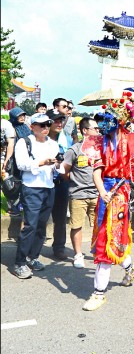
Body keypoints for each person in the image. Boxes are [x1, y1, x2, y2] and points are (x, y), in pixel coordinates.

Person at [80, 89, 134, 311]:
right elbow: (97, 171)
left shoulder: (132, 140)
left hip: (121, 193)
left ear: (118, 121)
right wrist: (102, 191)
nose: (101, 125)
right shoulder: (97, 142)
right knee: (107, 235)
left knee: (108, 238)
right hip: (107, 194)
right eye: (100, 120)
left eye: (107, 120)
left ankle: (99, 293)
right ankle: (129, 268)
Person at [13, 113, 65, 279]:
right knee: (30, 225)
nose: (45, 128)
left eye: (47, 124)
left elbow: (60, 168)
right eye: (41, 125)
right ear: (32, 127)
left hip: (49, 187)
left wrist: (57, 164)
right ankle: (19, 262)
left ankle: (32, 257)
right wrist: (41, 162)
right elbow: (21, 164)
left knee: (42, 225)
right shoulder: (24, 142)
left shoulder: (53, 144)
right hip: (31, 188)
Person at [62, 117, 100, 269]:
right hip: (78, 195)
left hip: (97, 194)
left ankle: (98, 250)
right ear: (85, 131)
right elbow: (64, 171)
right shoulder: (74, 150)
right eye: (95, 128)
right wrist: (76, 182)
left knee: (99, 224)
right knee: (76, 226)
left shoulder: (100, 149)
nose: (98, 131)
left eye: (98, 128)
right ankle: (78, 254)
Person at [45, 108, 71, 260]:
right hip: (43, 182)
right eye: (55, 120)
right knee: (40, 217)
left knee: (60, 218)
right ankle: (33, 247)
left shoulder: (66, 139)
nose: (59, 123)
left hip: (61, 182)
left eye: (61, 120)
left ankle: (59, 248)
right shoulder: (39, 139)